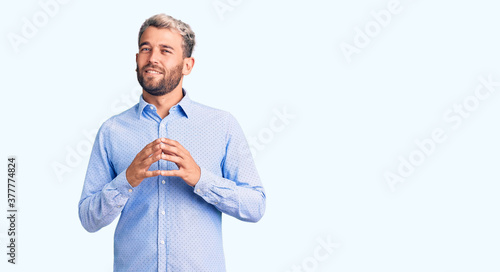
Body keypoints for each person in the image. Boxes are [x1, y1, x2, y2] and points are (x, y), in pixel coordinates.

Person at [78, 13, 266, 271]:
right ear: (136, 59)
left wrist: (201, 178)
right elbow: (89, 218)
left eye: (165, 50)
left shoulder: (222, 125)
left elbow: (255, 206)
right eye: (146, 48)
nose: (152, 58)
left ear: (187, 65)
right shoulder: (112, 131)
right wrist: (127, 179)